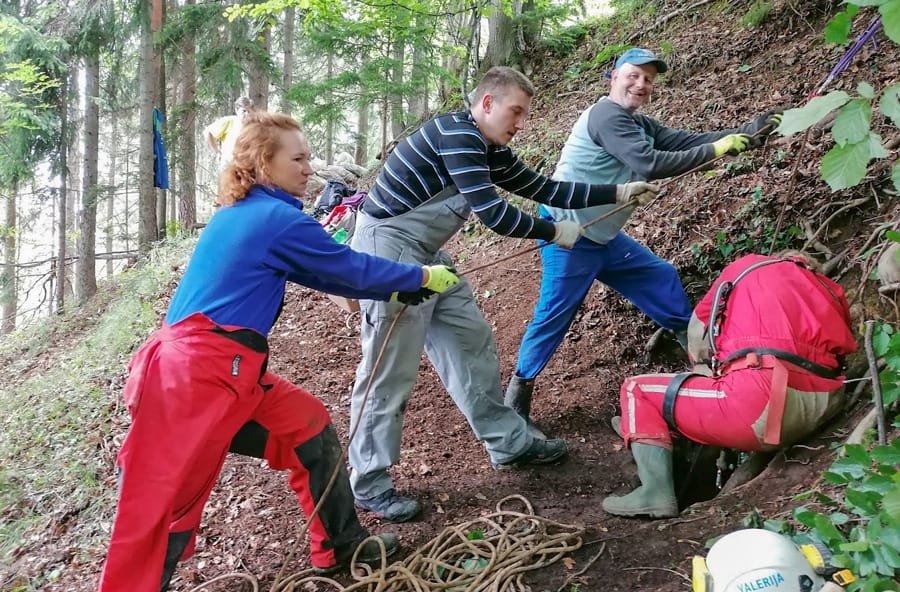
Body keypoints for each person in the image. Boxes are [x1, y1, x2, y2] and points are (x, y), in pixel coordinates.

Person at [97, 112, 462, 591]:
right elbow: (348, 268)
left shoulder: (253, 214)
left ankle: (341, 544)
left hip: (231, 371)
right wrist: (420, 276)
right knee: (164, 501)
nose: (309, 168)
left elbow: (325, 272)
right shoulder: (272, 218)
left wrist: (400, 286)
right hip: (196, 377)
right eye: (299, 159)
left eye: (308, 158)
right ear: (264, 163)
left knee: (307, 428)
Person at [347, 65, 661, 523]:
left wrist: (617, 191)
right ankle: (369, 482)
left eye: (525, 114)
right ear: (487, 103)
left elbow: (544, 188)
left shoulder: (488, 148)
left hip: (427, 253)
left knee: (470, 343)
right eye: (516, 111)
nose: (521, 123)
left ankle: (509, 443)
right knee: (388, 368)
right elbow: (494, 214)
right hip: (388, 252)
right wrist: (554, 231)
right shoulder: (458, 136)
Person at [505, 48, 782, 436]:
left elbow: (685, 142)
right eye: (633, 75)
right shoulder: (605, 116)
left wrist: (747, 132)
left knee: (658, 276)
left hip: (602, 237)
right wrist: (717, 150)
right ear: (614, 77)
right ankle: (516, 399)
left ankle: (698, 349)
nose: (641, 84)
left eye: (648, 79)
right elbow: (649, 163)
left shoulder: (639, 124)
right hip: (569, 235)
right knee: (555, 314)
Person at [603, 253, 856, 518]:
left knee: (636, 389)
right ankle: (648, 430)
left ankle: (655, 492)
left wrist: (703, 371)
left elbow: (698, 334)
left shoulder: (748, 267)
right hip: (825, 403)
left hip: (759, 400)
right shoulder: (829, 288)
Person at [204, 96, 255, 166]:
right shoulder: (229, 121)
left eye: (249, 111)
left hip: (245, 164)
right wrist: (217, 151)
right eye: (244, 111)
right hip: (228, 163)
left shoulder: (254, 126)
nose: (247, 114)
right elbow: (209, 132)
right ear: (237, 110)